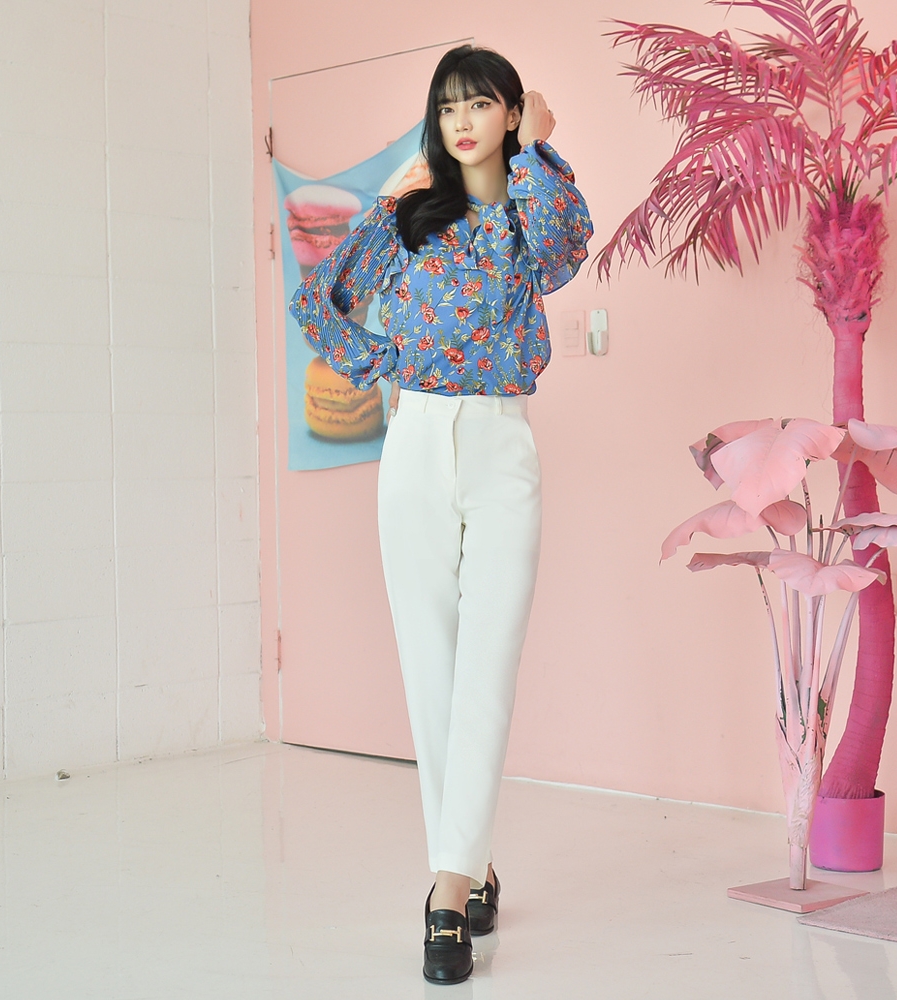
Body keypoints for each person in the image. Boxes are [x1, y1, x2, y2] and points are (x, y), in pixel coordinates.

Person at [290, 44, 592, 985]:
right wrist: (382, 364)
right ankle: (466, 872)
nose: (463, 121)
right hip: (416, 441)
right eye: (448, 106)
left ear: (512, 114)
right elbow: (319, 298)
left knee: (487, 667)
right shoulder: (408, 217)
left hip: (501, 443)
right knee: (431, 667)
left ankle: (448, 890)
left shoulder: (536, 210)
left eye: (482, 104)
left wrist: (537, 151)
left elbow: (565, 253)